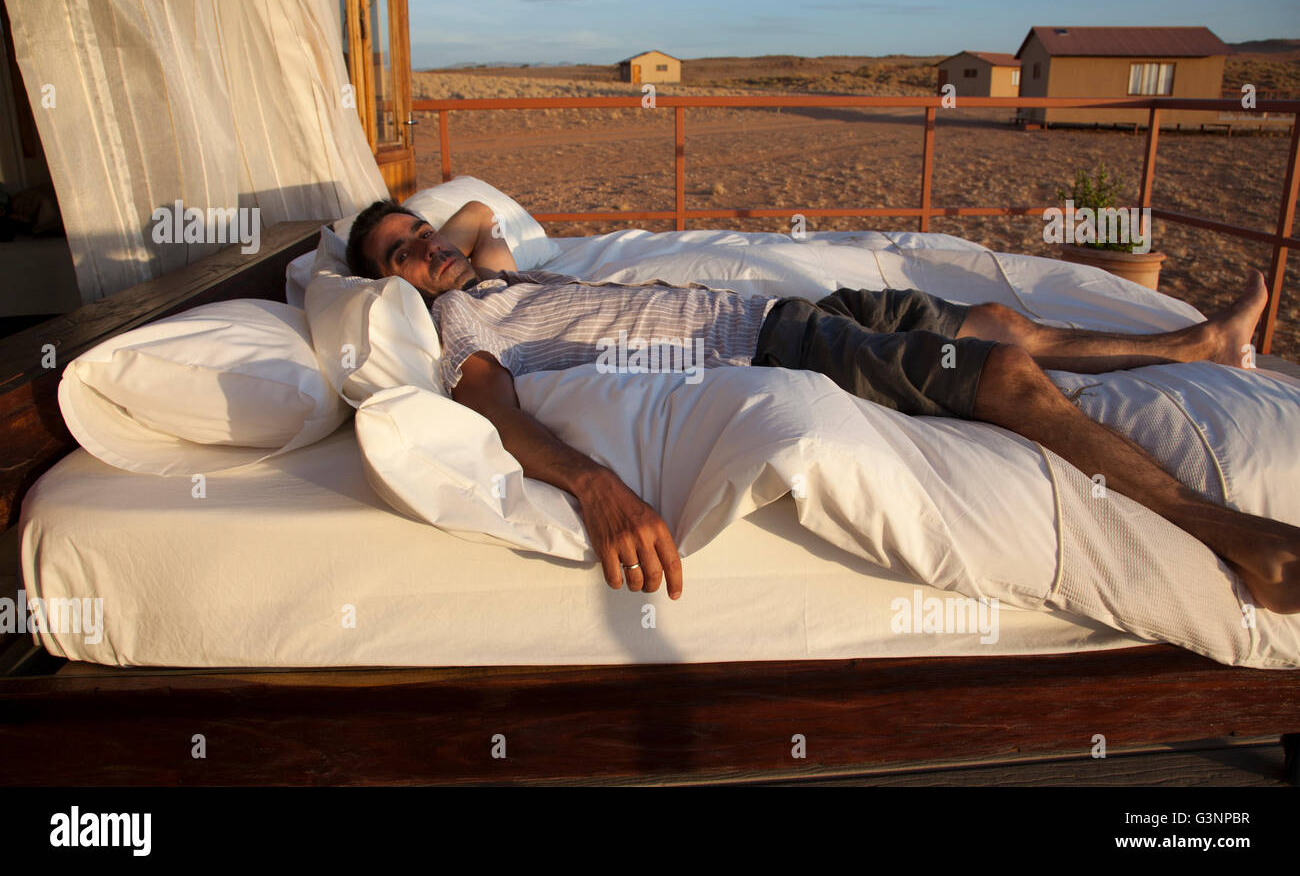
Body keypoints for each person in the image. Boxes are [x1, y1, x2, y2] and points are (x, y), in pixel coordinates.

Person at [345, 197, 1299, 616]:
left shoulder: (490, 272)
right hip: (769, 346)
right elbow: (497, 413)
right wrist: (594, 483)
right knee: (1007, 379)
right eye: (405, 255)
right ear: (395, 290)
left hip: (783, 306)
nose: (433, 248)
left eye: (422, 234)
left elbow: (473, 218)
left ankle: (1194, 346)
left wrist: (429, 231)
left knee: (999, 317)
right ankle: (1239, 539)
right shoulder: (464, 319)